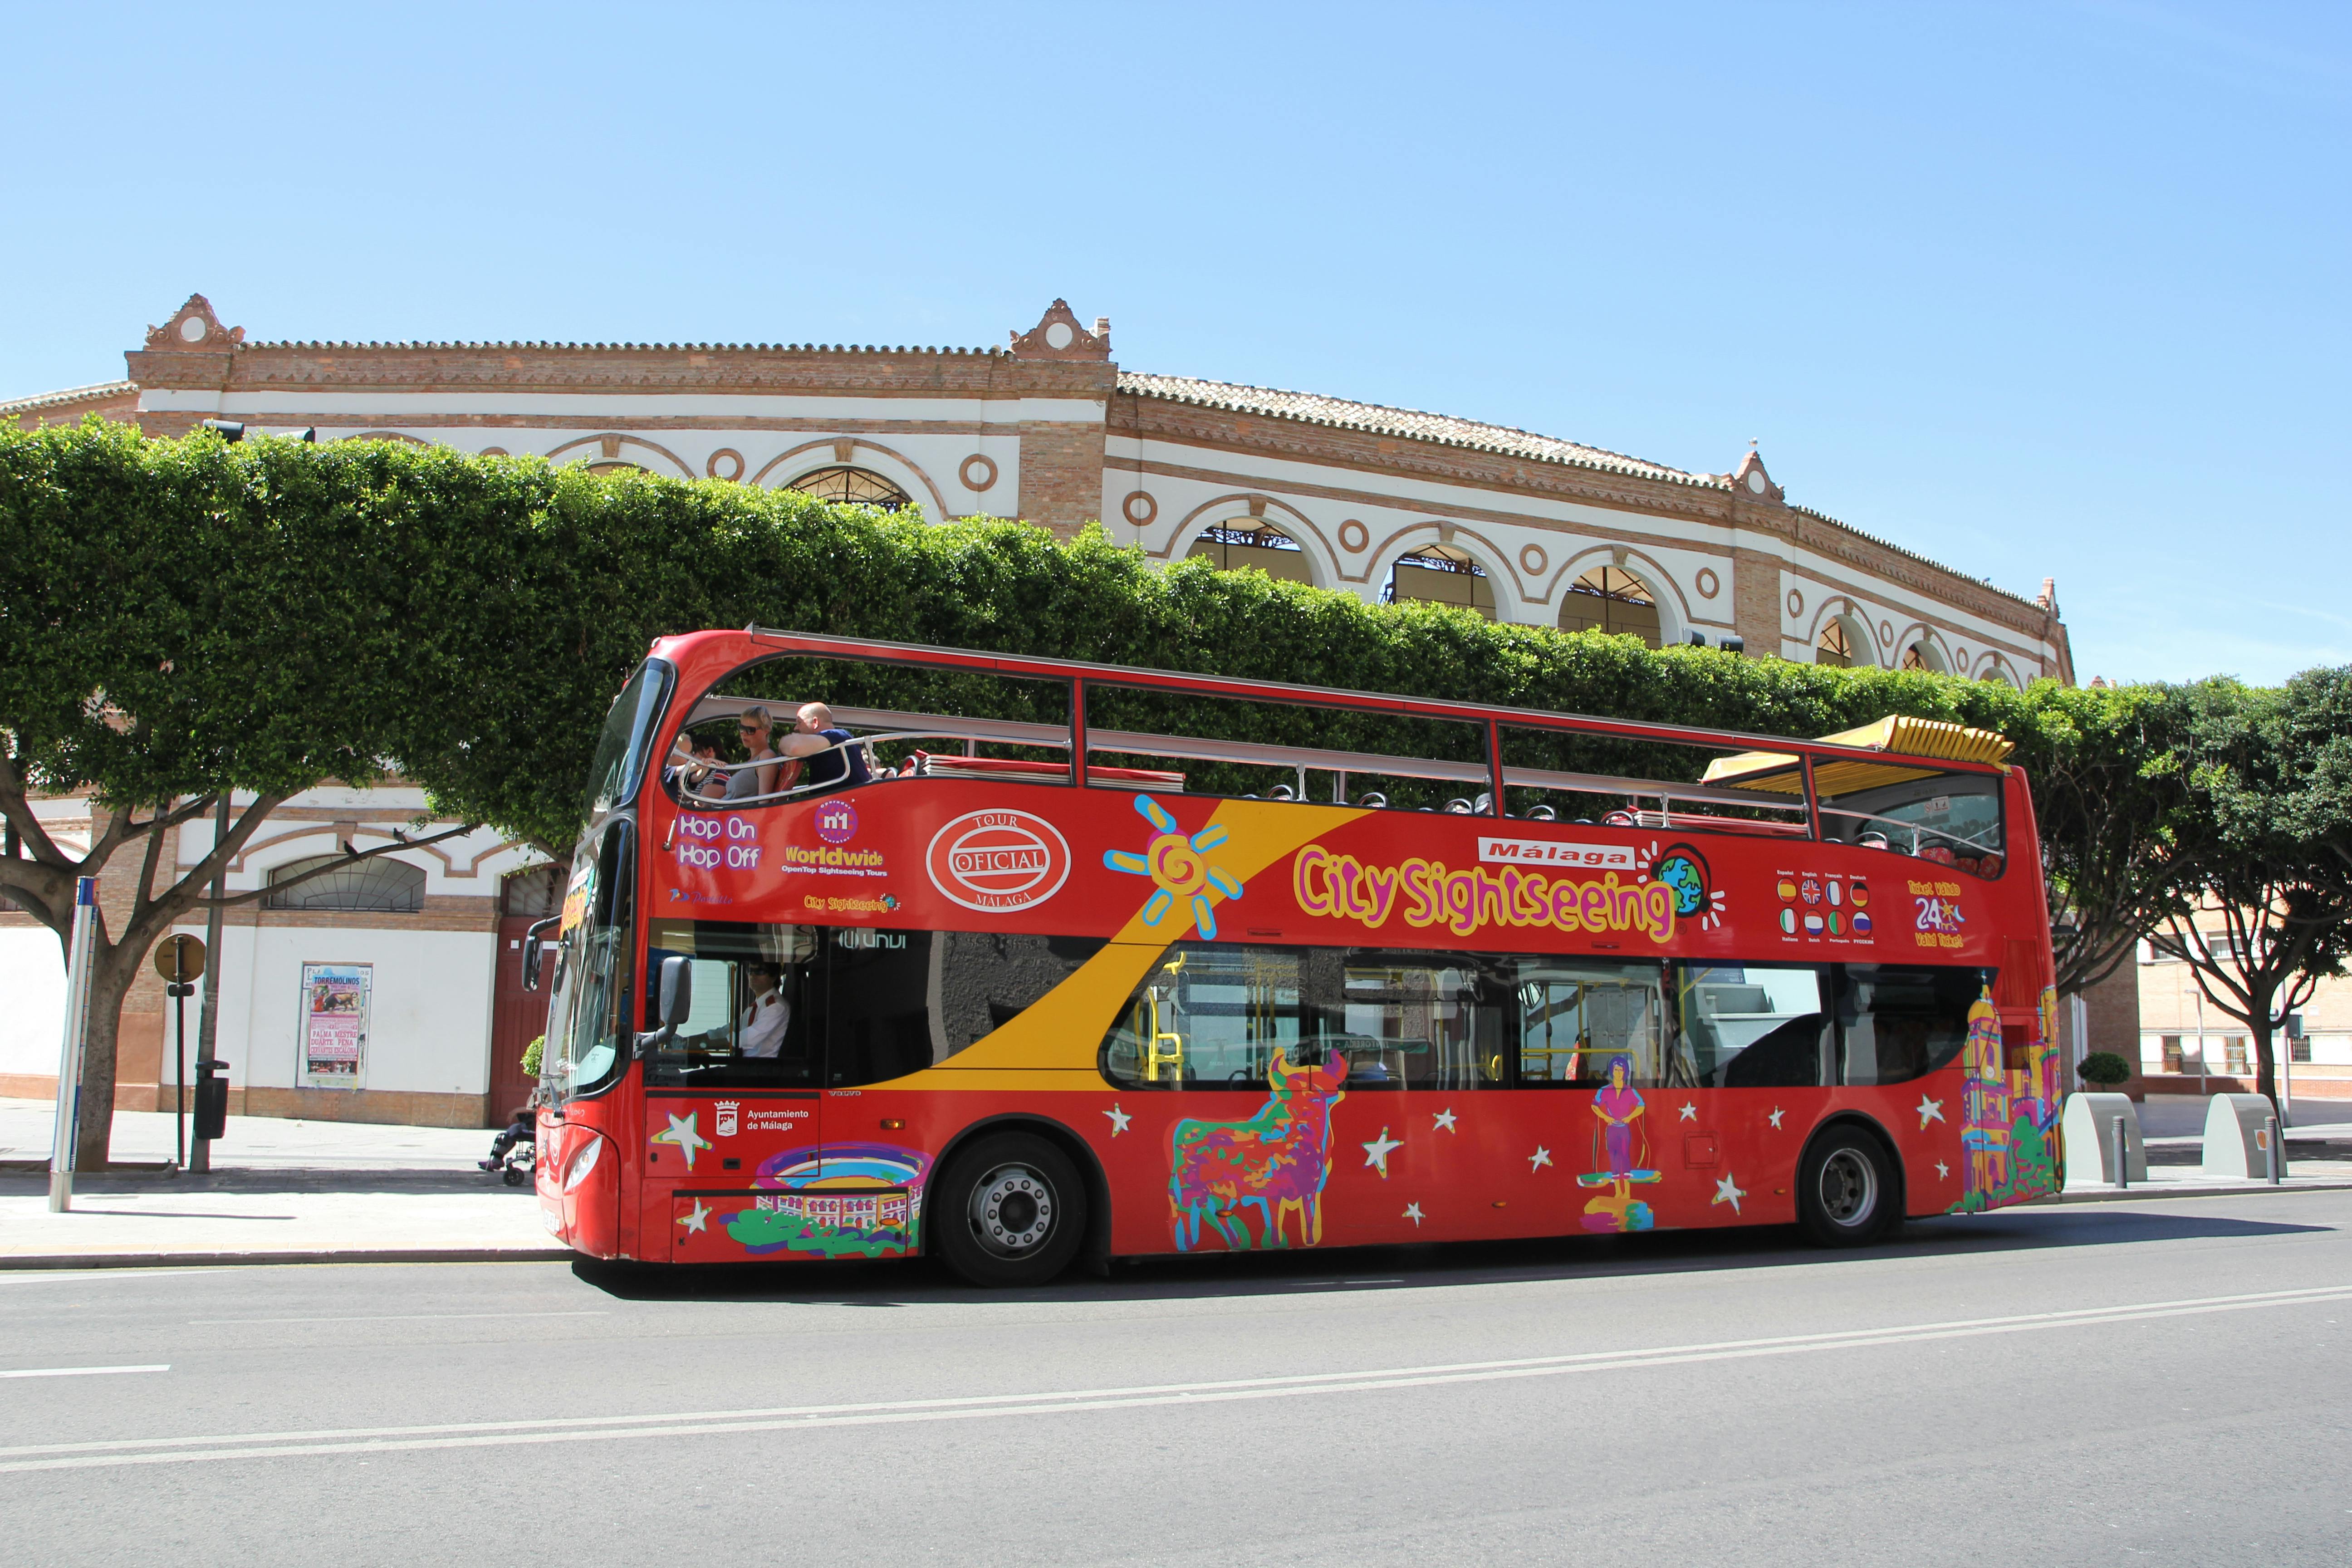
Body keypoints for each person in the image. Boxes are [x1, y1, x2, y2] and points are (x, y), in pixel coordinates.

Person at [778, 701, 873, 789]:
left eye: (800, 723)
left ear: (815, 722)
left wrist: (783, 741)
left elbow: (795, 748)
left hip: (851, 802)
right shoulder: (824, 743)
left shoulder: (838, 735)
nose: (796, 728)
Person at [724, 706, 782, 801]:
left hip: (735, 815)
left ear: (766, 730)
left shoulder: (767, 756)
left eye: (750, 730)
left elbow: (764, 802)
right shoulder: (753, 761)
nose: (743, 733)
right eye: (741, 728)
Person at [737, 961, 791, 1058]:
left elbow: (746, 1039)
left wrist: (706, 1043)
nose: (753, 975)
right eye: (750, 971)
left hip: (761, 1069)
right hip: (746, 1067)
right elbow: (732, 1029)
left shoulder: (776, 1007)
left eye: (760, 971)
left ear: (773, 977)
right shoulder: (756, 1006)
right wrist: (703, 1039)